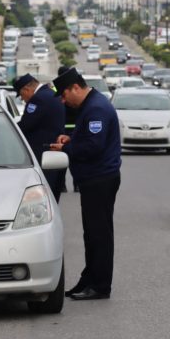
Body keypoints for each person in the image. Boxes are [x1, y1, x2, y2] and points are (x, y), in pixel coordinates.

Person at [50, 67, 121, 301]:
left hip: (100, 178)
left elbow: (94, 147)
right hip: (94, 178)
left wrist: (67, 148)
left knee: (98, 234)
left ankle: (100, 285)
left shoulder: (96, 108)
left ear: (76, 88)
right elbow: (89, 139)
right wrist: (72, 138)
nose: (63, 100)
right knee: (91, 234)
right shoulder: (90, 105)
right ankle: (88, 279)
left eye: (64, 94)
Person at [14, 73, 65, 202]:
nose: (23, 99)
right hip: (55, 154)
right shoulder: (51, 93)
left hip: (42, 154)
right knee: (53, 196)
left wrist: (9, 129)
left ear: (26, 89)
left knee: (43, 199)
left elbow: (25, 126)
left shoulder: (38, 99)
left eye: (21, 95)